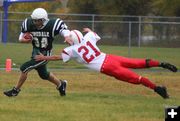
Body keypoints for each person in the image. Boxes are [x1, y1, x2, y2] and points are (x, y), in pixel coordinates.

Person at [34, 28, 178, 99]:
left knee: (136, 78)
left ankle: (158, 89)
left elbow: (58, 57)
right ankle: (161, 63)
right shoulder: (88, 38)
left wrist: (44, 58)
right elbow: (93, 34)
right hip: (111, 57)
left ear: (72, 40)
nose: (66, 40)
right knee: (138, 62)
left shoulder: (70, 50)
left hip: (107, 66)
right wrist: (89, 30)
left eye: (68, 39)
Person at [3, 8, 71, 97]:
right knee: (43, 74)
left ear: (44, 20)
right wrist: (24, 40)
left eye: (38, 21)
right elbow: (21, 37)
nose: (35, 22)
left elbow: (65, 31)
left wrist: (66, 36)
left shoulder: (52, 24)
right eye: (34, 20)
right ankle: (61, 85)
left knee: (24, 68)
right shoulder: (28, 23)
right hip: (35, 52)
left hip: (45, 54)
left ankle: (15, 91)